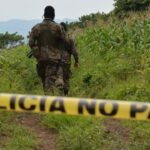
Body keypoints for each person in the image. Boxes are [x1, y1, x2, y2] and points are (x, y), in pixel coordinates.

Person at [29, 6, 67, 95]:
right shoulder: (58, 27)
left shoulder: (36, 27)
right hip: (54, 58)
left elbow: (31, 42)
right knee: (50, 80)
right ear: (53, 15)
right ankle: (51, 101)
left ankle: (48, 98)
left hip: (41, 59)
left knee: (44, 80)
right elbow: (64, 40)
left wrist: (37, 52)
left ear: (44, 14)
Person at [60, 22, 79, 95]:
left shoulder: (56, 40)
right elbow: (74, 52)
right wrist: (76, 61)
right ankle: (66, 94)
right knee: (66, 79)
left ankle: (60, 93)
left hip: (56, 61)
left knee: (58, 78)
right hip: (66, 61)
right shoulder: (70, 39)